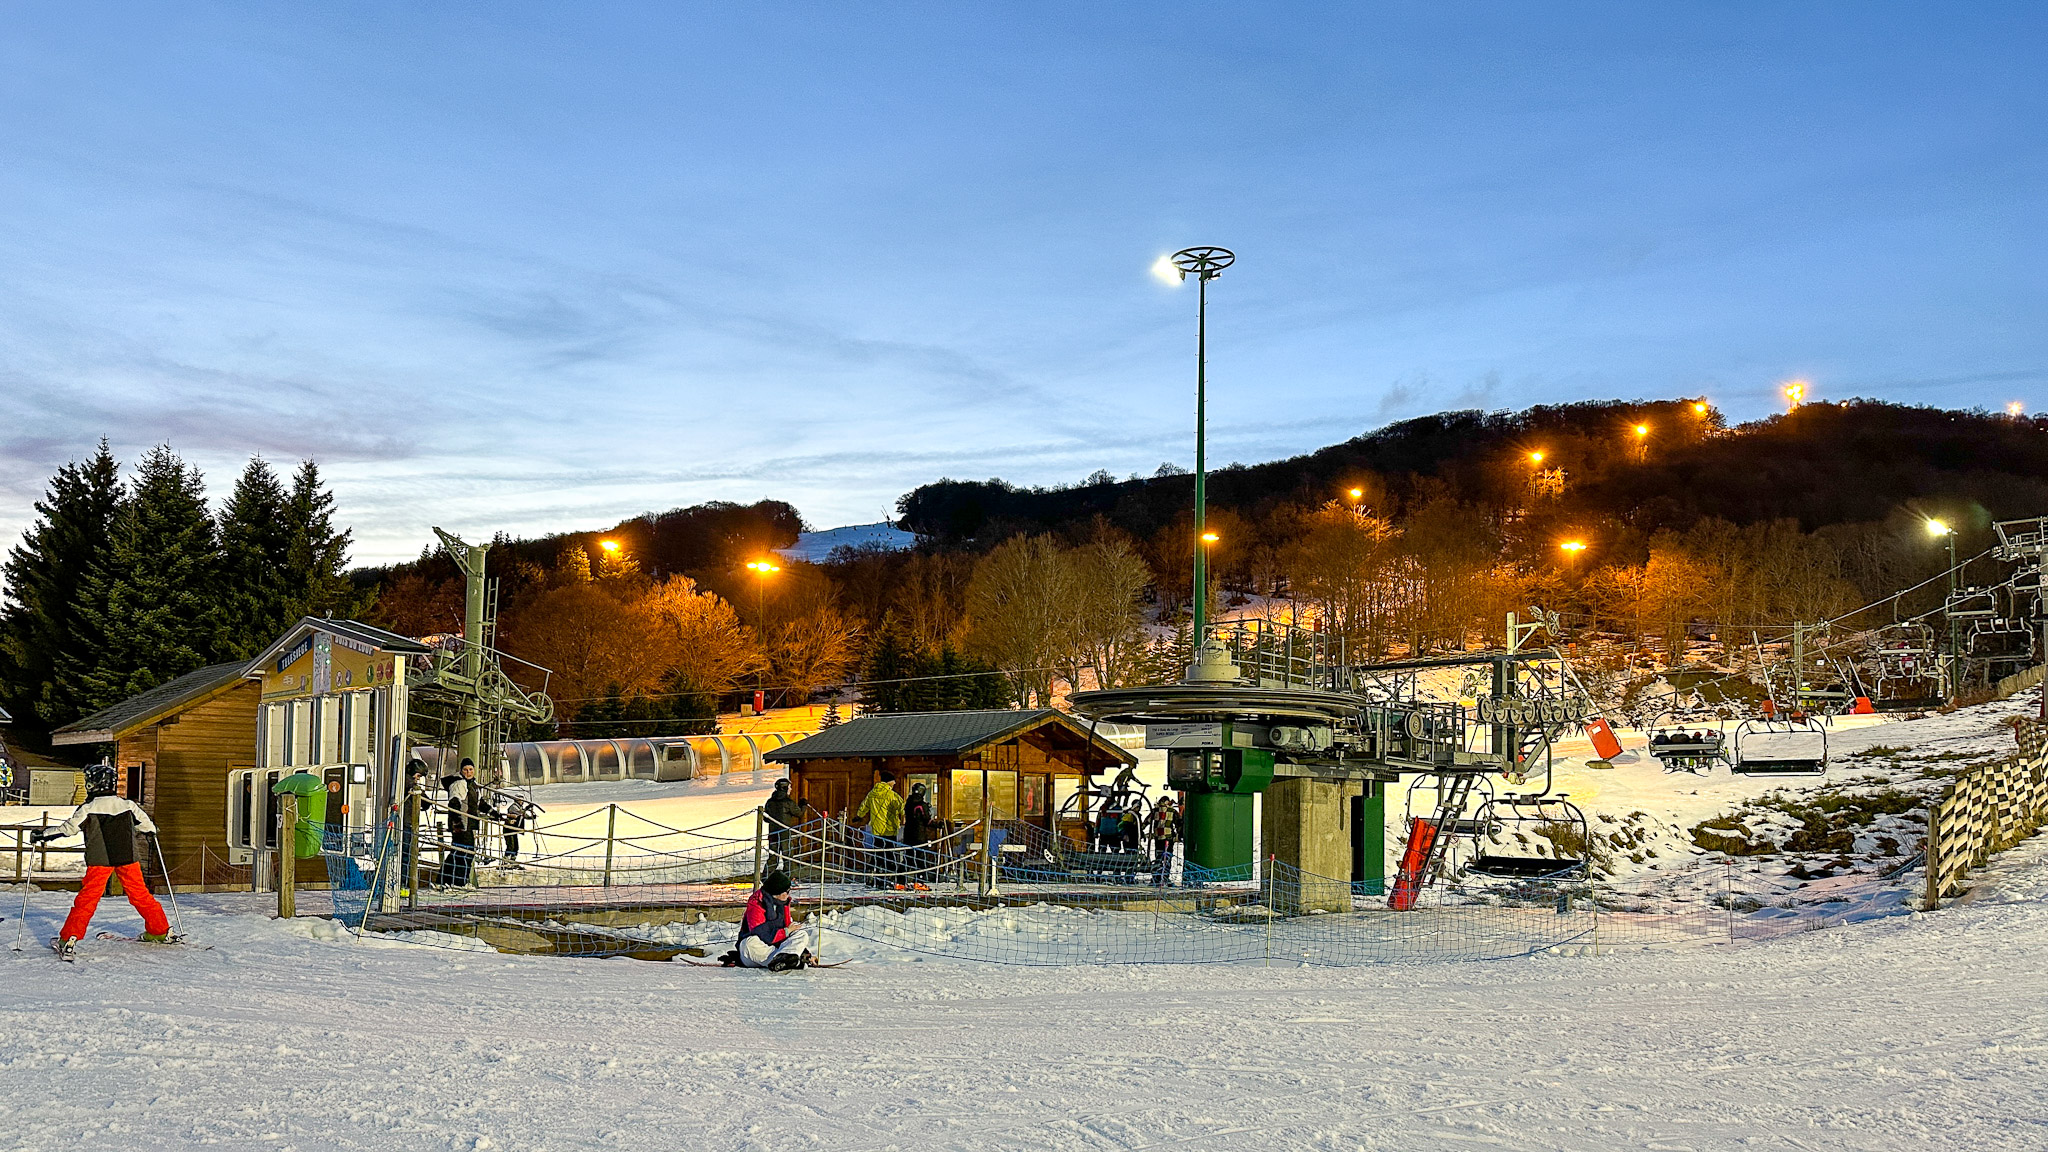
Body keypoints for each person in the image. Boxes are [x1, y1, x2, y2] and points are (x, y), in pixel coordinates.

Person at [31, 767, 173, 958]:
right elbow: (148, 827)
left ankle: (69, 937)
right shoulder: (128, 805)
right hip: (127, 858)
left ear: (94, 784)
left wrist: (42, 834)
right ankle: (159, 930)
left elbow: (68, 829)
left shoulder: (88, 808)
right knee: (140, 894)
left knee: (88, 899)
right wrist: (145, 831)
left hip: (100, 861)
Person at [735, 870, 813, 970]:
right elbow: (760, 934)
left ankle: (785, 960)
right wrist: (786, 931)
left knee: (801, 934)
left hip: (776, 948)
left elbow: (787, 937)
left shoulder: (783, 903)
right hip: (757, 952)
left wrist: (806, 953)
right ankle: (787, 961)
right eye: (787, 891)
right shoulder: (757, 903)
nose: (788, 894)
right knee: (749, 943)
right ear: (777, 892)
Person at [854, 771, 905, 884]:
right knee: (890, 853)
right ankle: (889, 876)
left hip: (877, 829)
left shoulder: (872, 793)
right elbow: (902, 808)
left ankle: (874, 874)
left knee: (878, 853)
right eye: (893, 781)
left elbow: (864, 805)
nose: (895, 783)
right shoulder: (892, 796)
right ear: (889, 782)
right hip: (890, 829)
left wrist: (859, 816)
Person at [439, 759, 480, 887]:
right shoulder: (459, 784)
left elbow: (479, 802)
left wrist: (493, 812)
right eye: (465, 770)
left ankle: (445, 879)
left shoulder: (472, 784)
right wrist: (457, 821)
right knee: (466, 852)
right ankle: (459, 881)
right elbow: (455, 802)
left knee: (458, 852)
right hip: (461, 824)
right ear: (461, 771)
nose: (468, 772)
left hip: (468, 823)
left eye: (471, 770)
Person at [762, 780, 810, 871]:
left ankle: (766, 877)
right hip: (785, 834)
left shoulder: (770, 802)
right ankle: (787, 878)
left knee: (773, 857)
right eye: (789, 787)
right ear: (785, 788)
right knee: (787, 857)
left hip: (773, 833)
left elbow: (766, 818)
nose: (791, 789)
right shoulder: (788, 802)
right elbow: (799, 814)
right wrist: (803, 805)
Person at [1149, 796, 1182, 887]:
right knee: (1167, 859)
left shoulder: (1155, 811)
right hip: (1168, 838)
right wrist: (1178, 835)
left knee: (1158, 858)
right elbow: (1179, 823)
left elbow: (1147, 821)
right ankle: (1165, 878)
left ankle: (1156, 878)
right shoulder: (1172, 812)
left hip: (1158, 838)